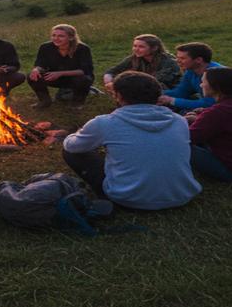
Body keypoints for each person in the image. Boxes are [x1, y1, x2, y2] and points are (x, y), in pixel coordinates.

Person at [61, 71, 201, 210]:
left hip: (129, 198)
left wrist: (78, 132)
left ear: (119, 96)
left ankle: (107, 193)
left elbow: (72, 146)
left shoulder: (105, 123)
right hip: (182, 195)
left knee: (70, 152)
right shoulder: (179, 121)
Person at [28, 23, 94, 107]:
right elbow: (40, 64)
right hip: (54, 77)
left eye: (61, 36)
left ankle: (77, 102)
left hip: (76, 77)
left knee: (83, 79)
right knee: (32, 76)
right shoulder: (45, 47)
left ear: (71, 37)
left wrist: (60, 73)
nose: (56, 38)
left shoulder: (82, 48)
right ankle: (44, 100)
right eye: (53, 35)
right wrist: (36, 69)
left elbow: (85, 70)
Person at [158, 42, 223, 113]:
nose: (177, 61)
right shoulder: (191, 71)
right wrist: (155, 93)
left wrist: (171, 100)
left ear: (199, 60)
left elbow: (209, 103)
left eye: (182, 58)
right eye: (177, 58)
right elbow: (181, 92)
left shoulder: (217, 75)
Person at [102, 34, 180, 91]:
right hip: (145, 87)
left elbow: (154, 81)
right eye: (135, 46)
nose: (136, 49)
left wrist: (122, 84)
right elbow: (112, 71)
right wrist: (109, 82)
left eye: (141, 47)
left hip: (169, 90)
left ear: (154, 48)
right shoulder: (135, 58)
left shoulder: (168, 61)